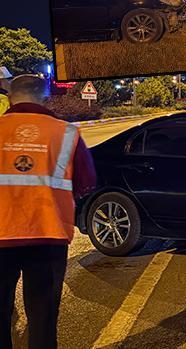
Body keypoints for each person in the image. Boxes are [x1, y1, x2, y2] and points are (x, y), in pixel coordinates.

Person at [0, 75, 96, 349]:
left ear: (10, 97)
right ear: (44, 97)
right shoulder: (66, 133)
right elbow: (85, 182)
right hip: (48, 235)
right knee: (43, 317)